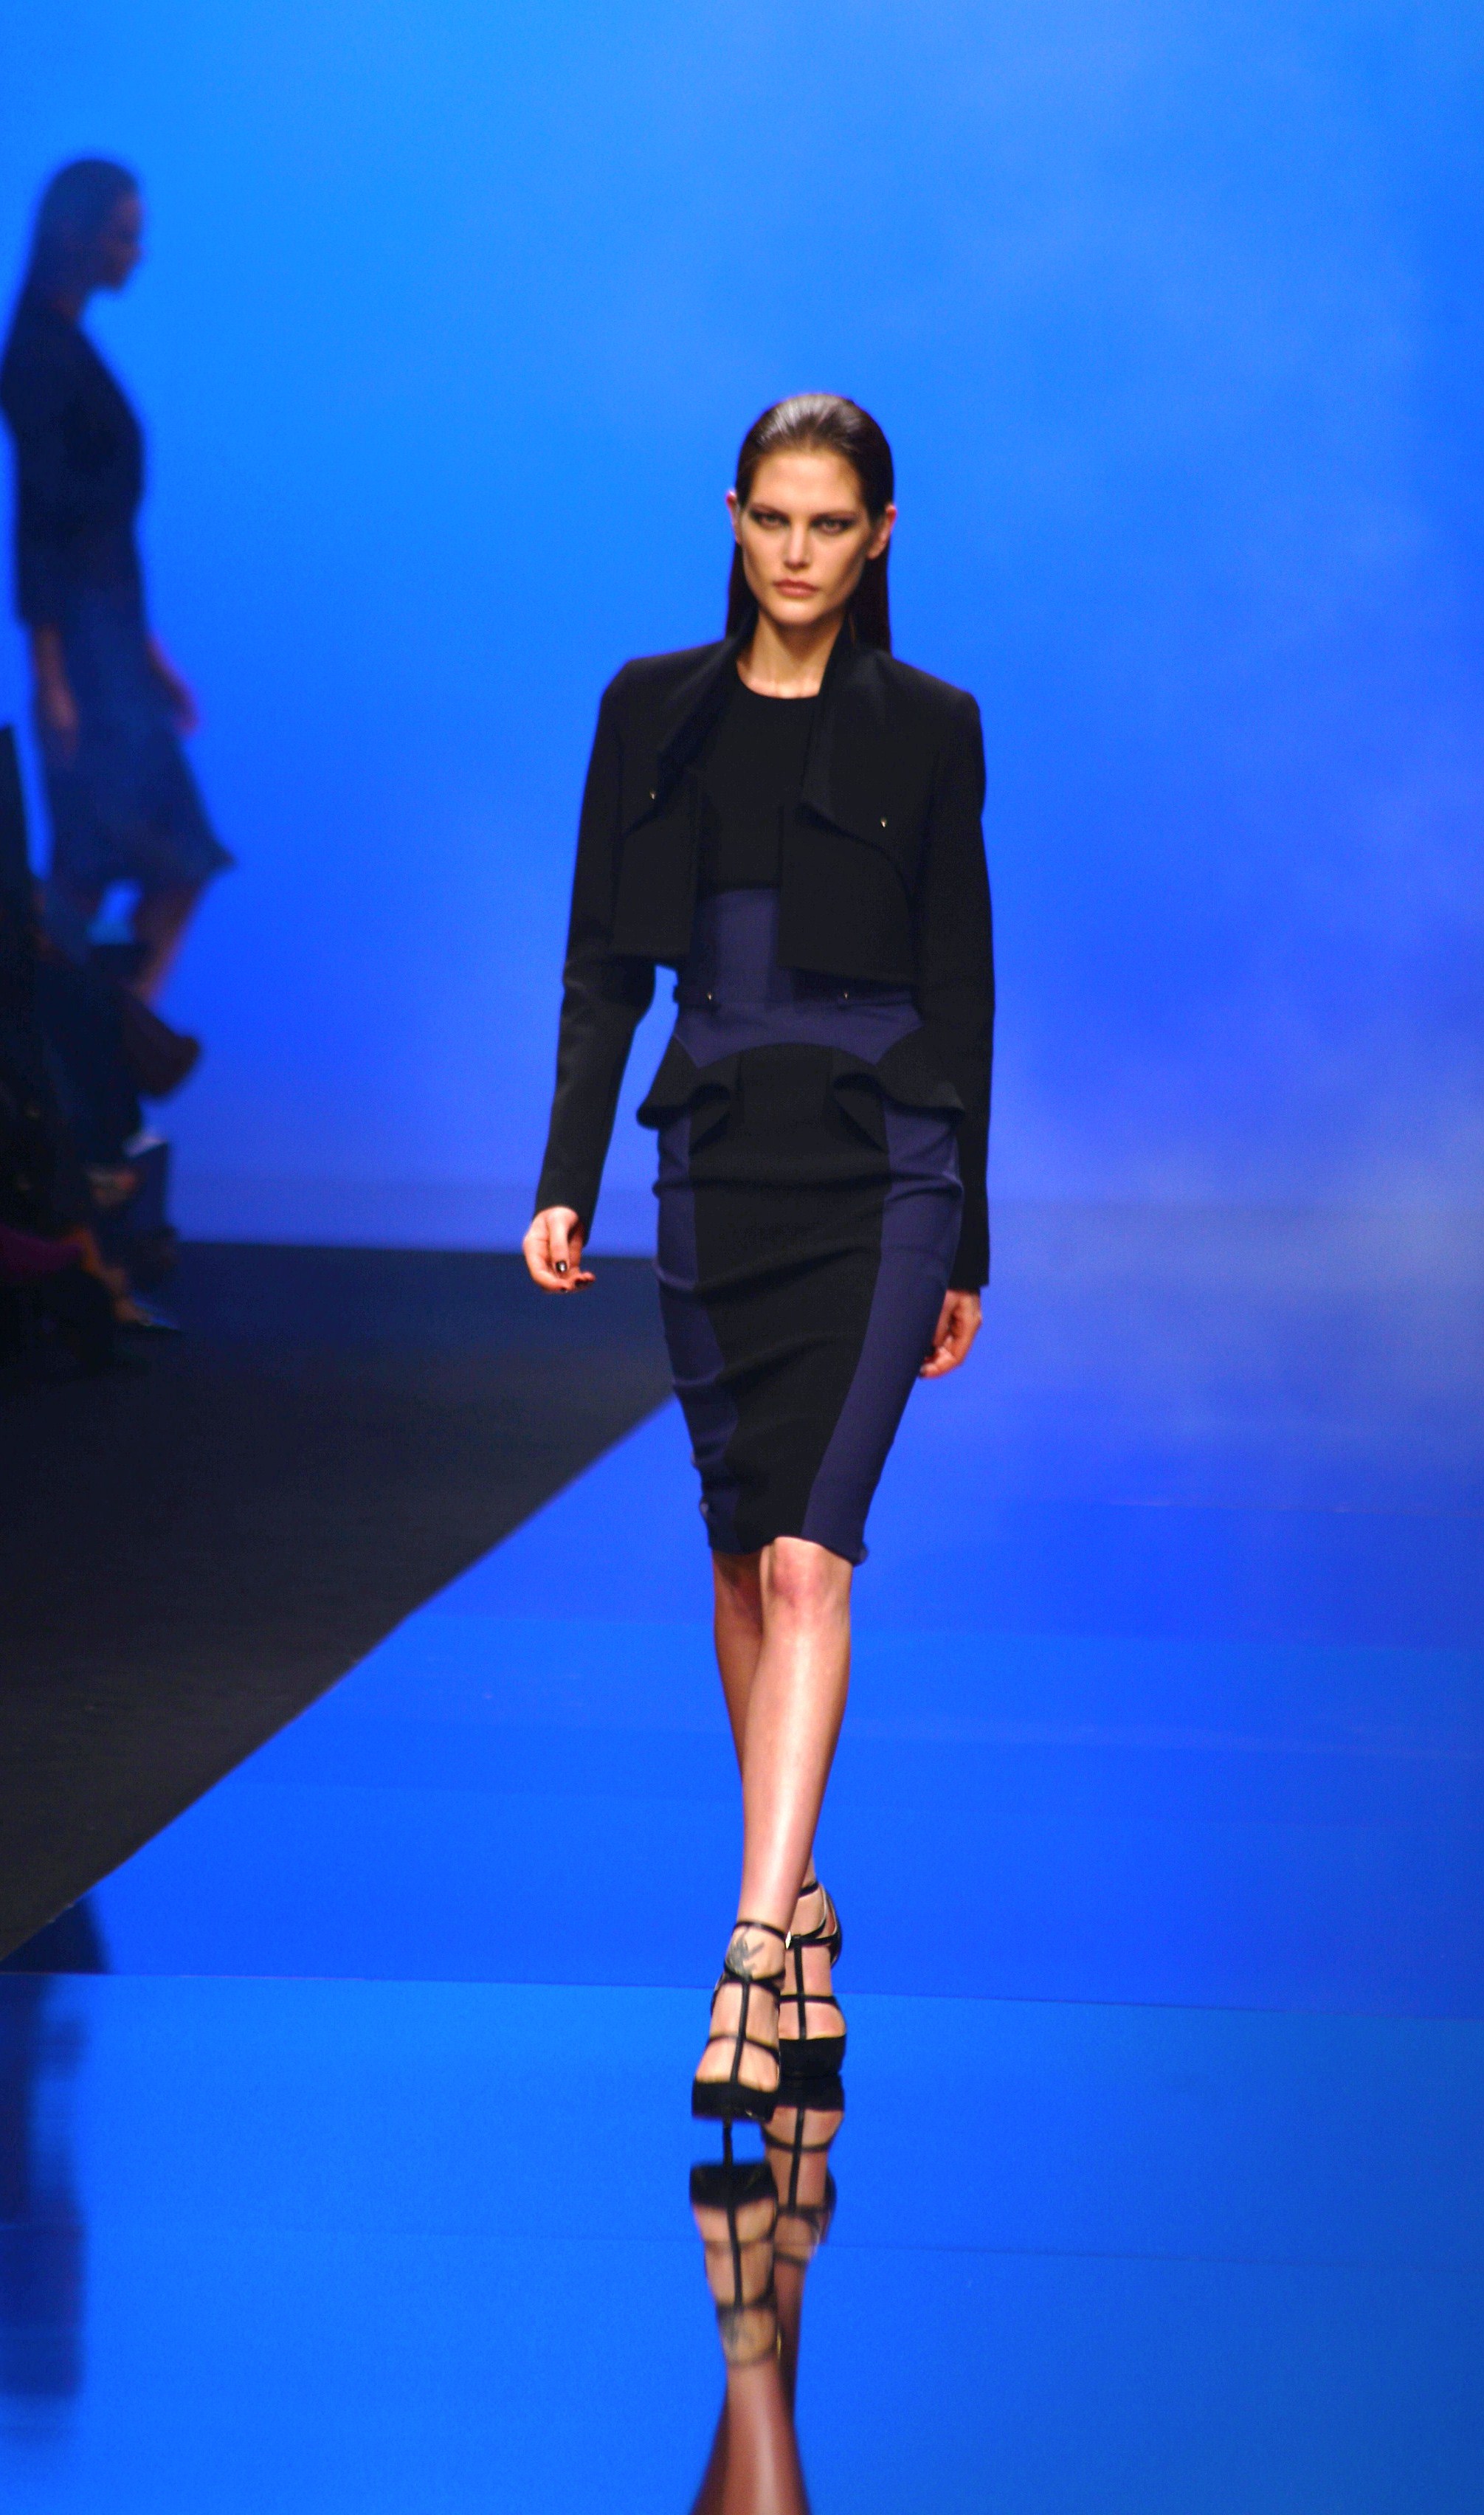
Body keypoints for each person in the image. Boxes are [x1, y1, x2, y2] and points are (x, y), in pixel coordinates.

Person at [525, 394, 993, 2117]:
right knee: (737, 1551)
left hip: (884, 1165)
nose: (797, 553)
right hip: (713, 1162)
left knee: (811, 1559)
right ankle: (799, 1910)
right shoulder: (649, 710)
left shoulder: (931, 727)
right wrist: (565, 1177)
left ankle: (741, 1954)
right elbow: (602, 964)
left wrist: (972, 1232)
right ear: (733, 518)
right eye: (772, 519)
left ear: (880, 536)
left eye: (830, 523)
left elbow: (963, 979)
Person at [0, 159, 232, 997]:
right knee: (118, 868)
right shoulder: (40, 355)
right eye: (124, 236)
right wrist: (52, 677)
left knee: (122, 871)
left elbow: (98, 533)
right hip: (88, 660)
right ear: (81, 236)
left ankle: (84, 1050)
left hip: (112, 645)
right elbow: (42, 523)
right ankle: (75, 1055)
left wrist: (149, 652)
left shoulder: (63, 347)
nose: (136, 253)